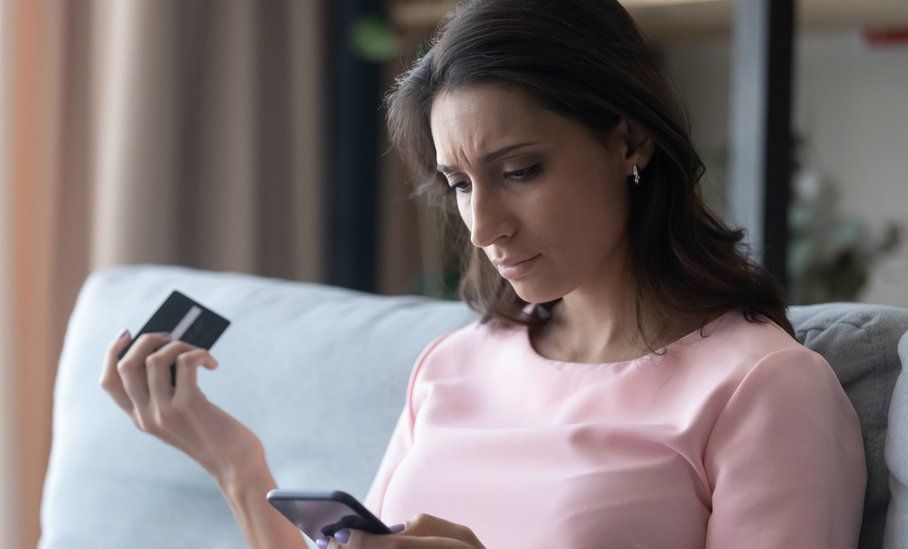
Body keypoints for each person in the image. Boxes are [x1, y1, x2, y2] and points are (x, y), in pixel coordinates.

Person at [101, 0, 867, 547]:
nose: (483, 225)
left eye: (521, 170)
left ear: (629, 139)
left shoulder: (763, 387)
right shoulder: (456, 363)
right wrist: (237, 464)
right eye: (460, 185)